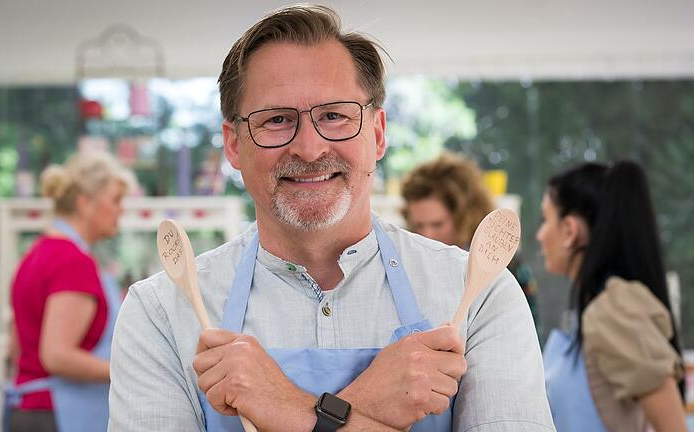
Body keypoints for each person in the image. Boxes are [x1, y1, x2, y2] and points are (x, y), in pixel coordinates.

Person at [109, 4, 553, 431]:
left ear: (377, 133)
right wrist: (369, 405)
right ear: (233, 144)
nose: (309, 148)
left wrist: (283, 408)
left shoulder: (481, 295)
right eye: (277, 119)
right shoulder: (162, 311)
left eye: (335, 116)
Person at [537, 161, 686, 431]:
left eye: (545, 220)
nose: (539, 235)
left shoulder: (614, 309)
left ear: (569, 230)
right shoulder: (591, 310)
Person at [6, 151, 135, 432]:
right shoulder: (72, 261)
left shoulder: (37, 253)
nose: (121, 210)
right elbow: (56, 356)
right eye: (115, 200)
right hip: (57, 416)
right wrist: (131, 370)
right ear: (85, 203)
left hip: (28, 410)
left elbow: (14, 348)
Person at [400, 151, 539, 329]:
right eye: (419, 225)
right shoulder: (409, 266)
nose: (427, 235)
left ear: (464, 217)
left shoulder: (508, 267)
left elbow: (531, 334)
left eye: (437, 224)